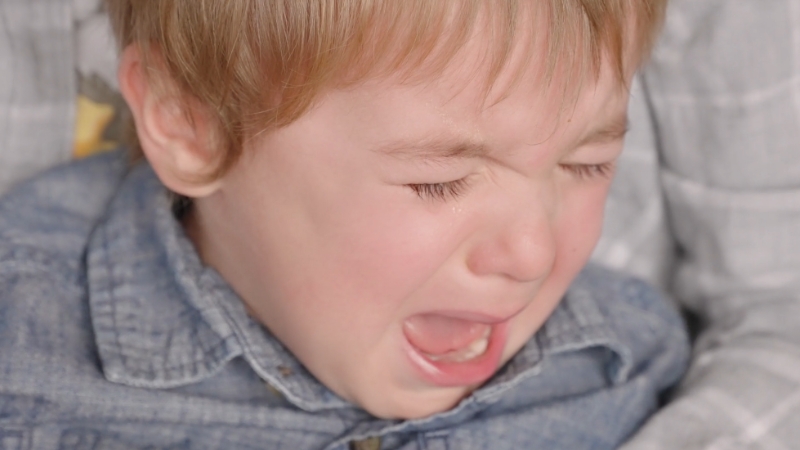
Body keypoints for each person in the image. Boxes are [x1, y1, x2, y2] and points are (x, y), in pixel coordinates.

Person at [0, 1, 688, 448]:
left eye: (587, 165)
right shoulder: (25, 358)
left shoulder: (626, 365)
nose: (532, 253)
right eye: (438, 182)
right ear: (193, 126)